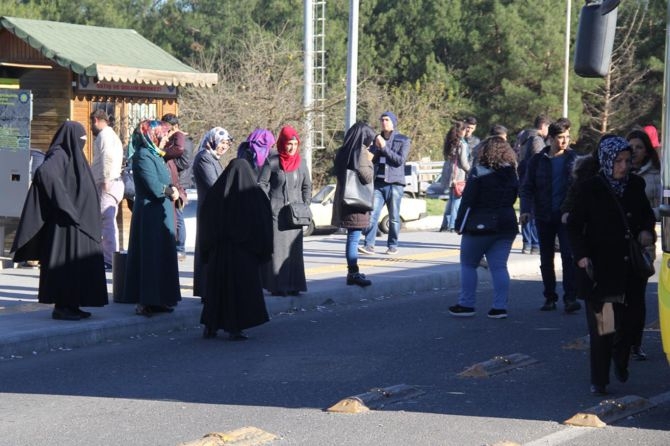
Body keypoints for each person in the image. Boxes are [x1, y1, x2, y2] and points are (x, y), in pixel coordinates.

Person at [566, 135, 656, 395]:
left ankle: (621, 358)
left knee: (628, 326)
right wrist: (581, 256)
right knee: (602, 329)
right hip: (599, 271)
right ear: (606, 161)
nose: (623, 166)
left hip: (630, 271)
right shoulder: (590, 188)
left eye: (627, 161)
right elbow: (573, 225)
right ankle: (600, 379)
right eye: (618, 161)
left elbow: (646, 219)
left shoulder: (635, 185)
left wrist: (646, 233)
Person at [11, 121, 108, 320]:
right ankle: (62, 307)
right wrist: (66, 205)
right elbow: (45, 174)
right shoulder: (60, 154)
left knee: (76, 268)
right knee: (66, 269)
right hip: (65, 226)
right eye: (80, 138)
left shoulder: (73, 156)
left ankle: (73, 305)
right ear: (70, 137)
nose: (82, 141)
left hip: (76, 224)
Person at [200, 159, 273, 340]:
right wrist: (262, 250)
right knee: (240, 291)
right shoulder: (255, 196)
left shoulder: (215, 194)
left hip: (219, 253)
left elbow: (206, 223)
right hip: (244, 254)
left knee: (216, 291)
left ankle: (211, 326)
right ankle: (236, 327)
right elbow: (263, 225)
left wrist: (207, 250)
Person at [448, 136, 519, 319]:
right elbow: (513, 198)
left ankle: (466, 304)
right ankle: (499, 307)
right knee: (499, 267)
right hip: (506, 223)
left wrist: (459, 224)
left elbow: (468, 201)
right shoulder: (511, 172)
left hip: (480, 224)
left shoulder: (478, 171)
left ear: (485, 151)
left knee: (469, 264)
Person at [520, 118, 580, 313]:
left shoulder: (574, 160)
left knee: (568, 257)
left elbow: (580, 188)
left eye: (567, 137)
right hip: (544, 215)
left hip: (566, 216)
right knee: (546, 258)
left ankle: (570, 298)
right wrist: (526, 210)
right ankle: (549, 297)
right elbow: (527, 187)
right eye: (561, 137)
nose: (565, 141)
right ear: (551, 138)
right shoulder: (538, 160)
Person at [122, 120, 182, 316]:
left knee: (162, 256)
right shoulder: (142, 156)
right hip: (150, 213)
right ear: (151, 135)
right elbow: (153, 185)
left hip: (161, 211)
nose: (166, 138)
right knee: (149, 257)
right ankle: (147, 299)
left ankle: (161, 298)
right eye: (162, 134)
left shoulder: (155, 154)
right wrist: (170, 190)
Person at [258, 125, 311, 296]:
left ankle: (295, 285)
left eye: (295, 144)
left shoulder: (301, 163)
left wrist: (305, 204)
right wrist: (269, 203)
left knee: (293, 251)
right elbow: (262, 184)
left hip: (296, 214)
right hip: (277, 212)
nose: (292, 147)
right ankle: (278, 286)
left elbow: (307, 186)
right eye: (289, 143)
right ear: (282, 143)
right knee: (279, 250)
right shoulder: (272, 162)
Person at [628, 129, 661, 360]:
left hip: (643, 241)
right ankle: (616, 339)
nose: (635, 151)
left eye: (640, 147)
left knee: (637, 297)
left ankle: (635, 342)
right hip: (617, 242)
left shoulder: (655, 175)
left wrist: (645, 215)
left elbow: (662, 207)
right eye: (631, 147)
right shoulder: (617, 171)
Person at [359, 111, 411, 255]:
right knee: (372, 214)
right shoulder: (377, 139)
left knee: (394, 217)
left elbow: (399, 161)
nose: (383, 122)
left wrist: (383, 147)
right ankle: (369, 245)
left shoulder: (403, 140)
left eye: (387, 120)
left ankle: (393, 245)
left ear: (393, 122)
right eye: (382, 120)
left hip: (395, 183)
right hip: (379, 183)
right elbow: (371, 159)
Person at [332, 122, 376, 287]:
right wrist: (371, 161)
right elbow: (367, 177)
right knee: (354, 238)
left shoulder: (343, 151)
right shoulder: (361, 153)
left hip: (346, 199)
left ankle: (353, 272)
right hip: (357, 202)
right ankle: (353, 273)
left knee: (352, 237)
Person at [192, 127, 234, 298]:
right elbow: (214, 185)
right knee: (207, 249)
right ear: (213, 140)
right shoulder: (204, 158)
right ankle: (206, 289)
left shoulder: (214, 158)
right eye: (222, 142)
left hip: (216, 210)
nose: (224, 146)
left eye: (227, 143)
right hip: (208, 211)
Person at [90, 109, 124, 270]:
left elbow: (107, 158)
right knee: (107, 221)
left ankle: (109, 259)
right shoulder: (111, 135)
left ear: (96, 120)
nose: (91, 127)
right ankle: (109, 256)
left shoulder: (104, 136)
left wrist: (104, 180)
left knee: (106, 221)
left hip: (108, 182)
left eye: (91, 123)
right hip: (113, 181)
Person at [517, 115, 550, 255]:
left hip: (523, 178)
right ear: (543, 126)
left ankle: (526, 243)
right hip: (533, 180)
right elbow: (539, 159)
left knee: (525, 211)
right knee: (534, 212)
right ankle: (535, 244)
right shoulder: (536, 139)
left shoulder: (522, 138)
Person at [161, 113, 192, 261]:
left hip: (179, 183)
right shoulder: (173, 138)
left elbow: (184, 161)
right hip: (176, 181)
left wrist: (166, 158)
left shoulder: (180, 138)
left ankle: (180, 248)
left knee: (178, 217)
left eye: (166, 127)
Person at [439, 121, 470, 232]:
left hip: (449, 173)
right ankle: (453, 225)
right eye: (465, 130)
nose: (466, 132)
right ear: (461, 131)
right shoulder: (462, 143)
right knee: (457, 200)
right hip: (458, 175)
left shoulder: (449, 142)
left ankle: (444, 224)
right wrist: (470, 171)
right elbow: (464, 162)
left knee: (451, 201)